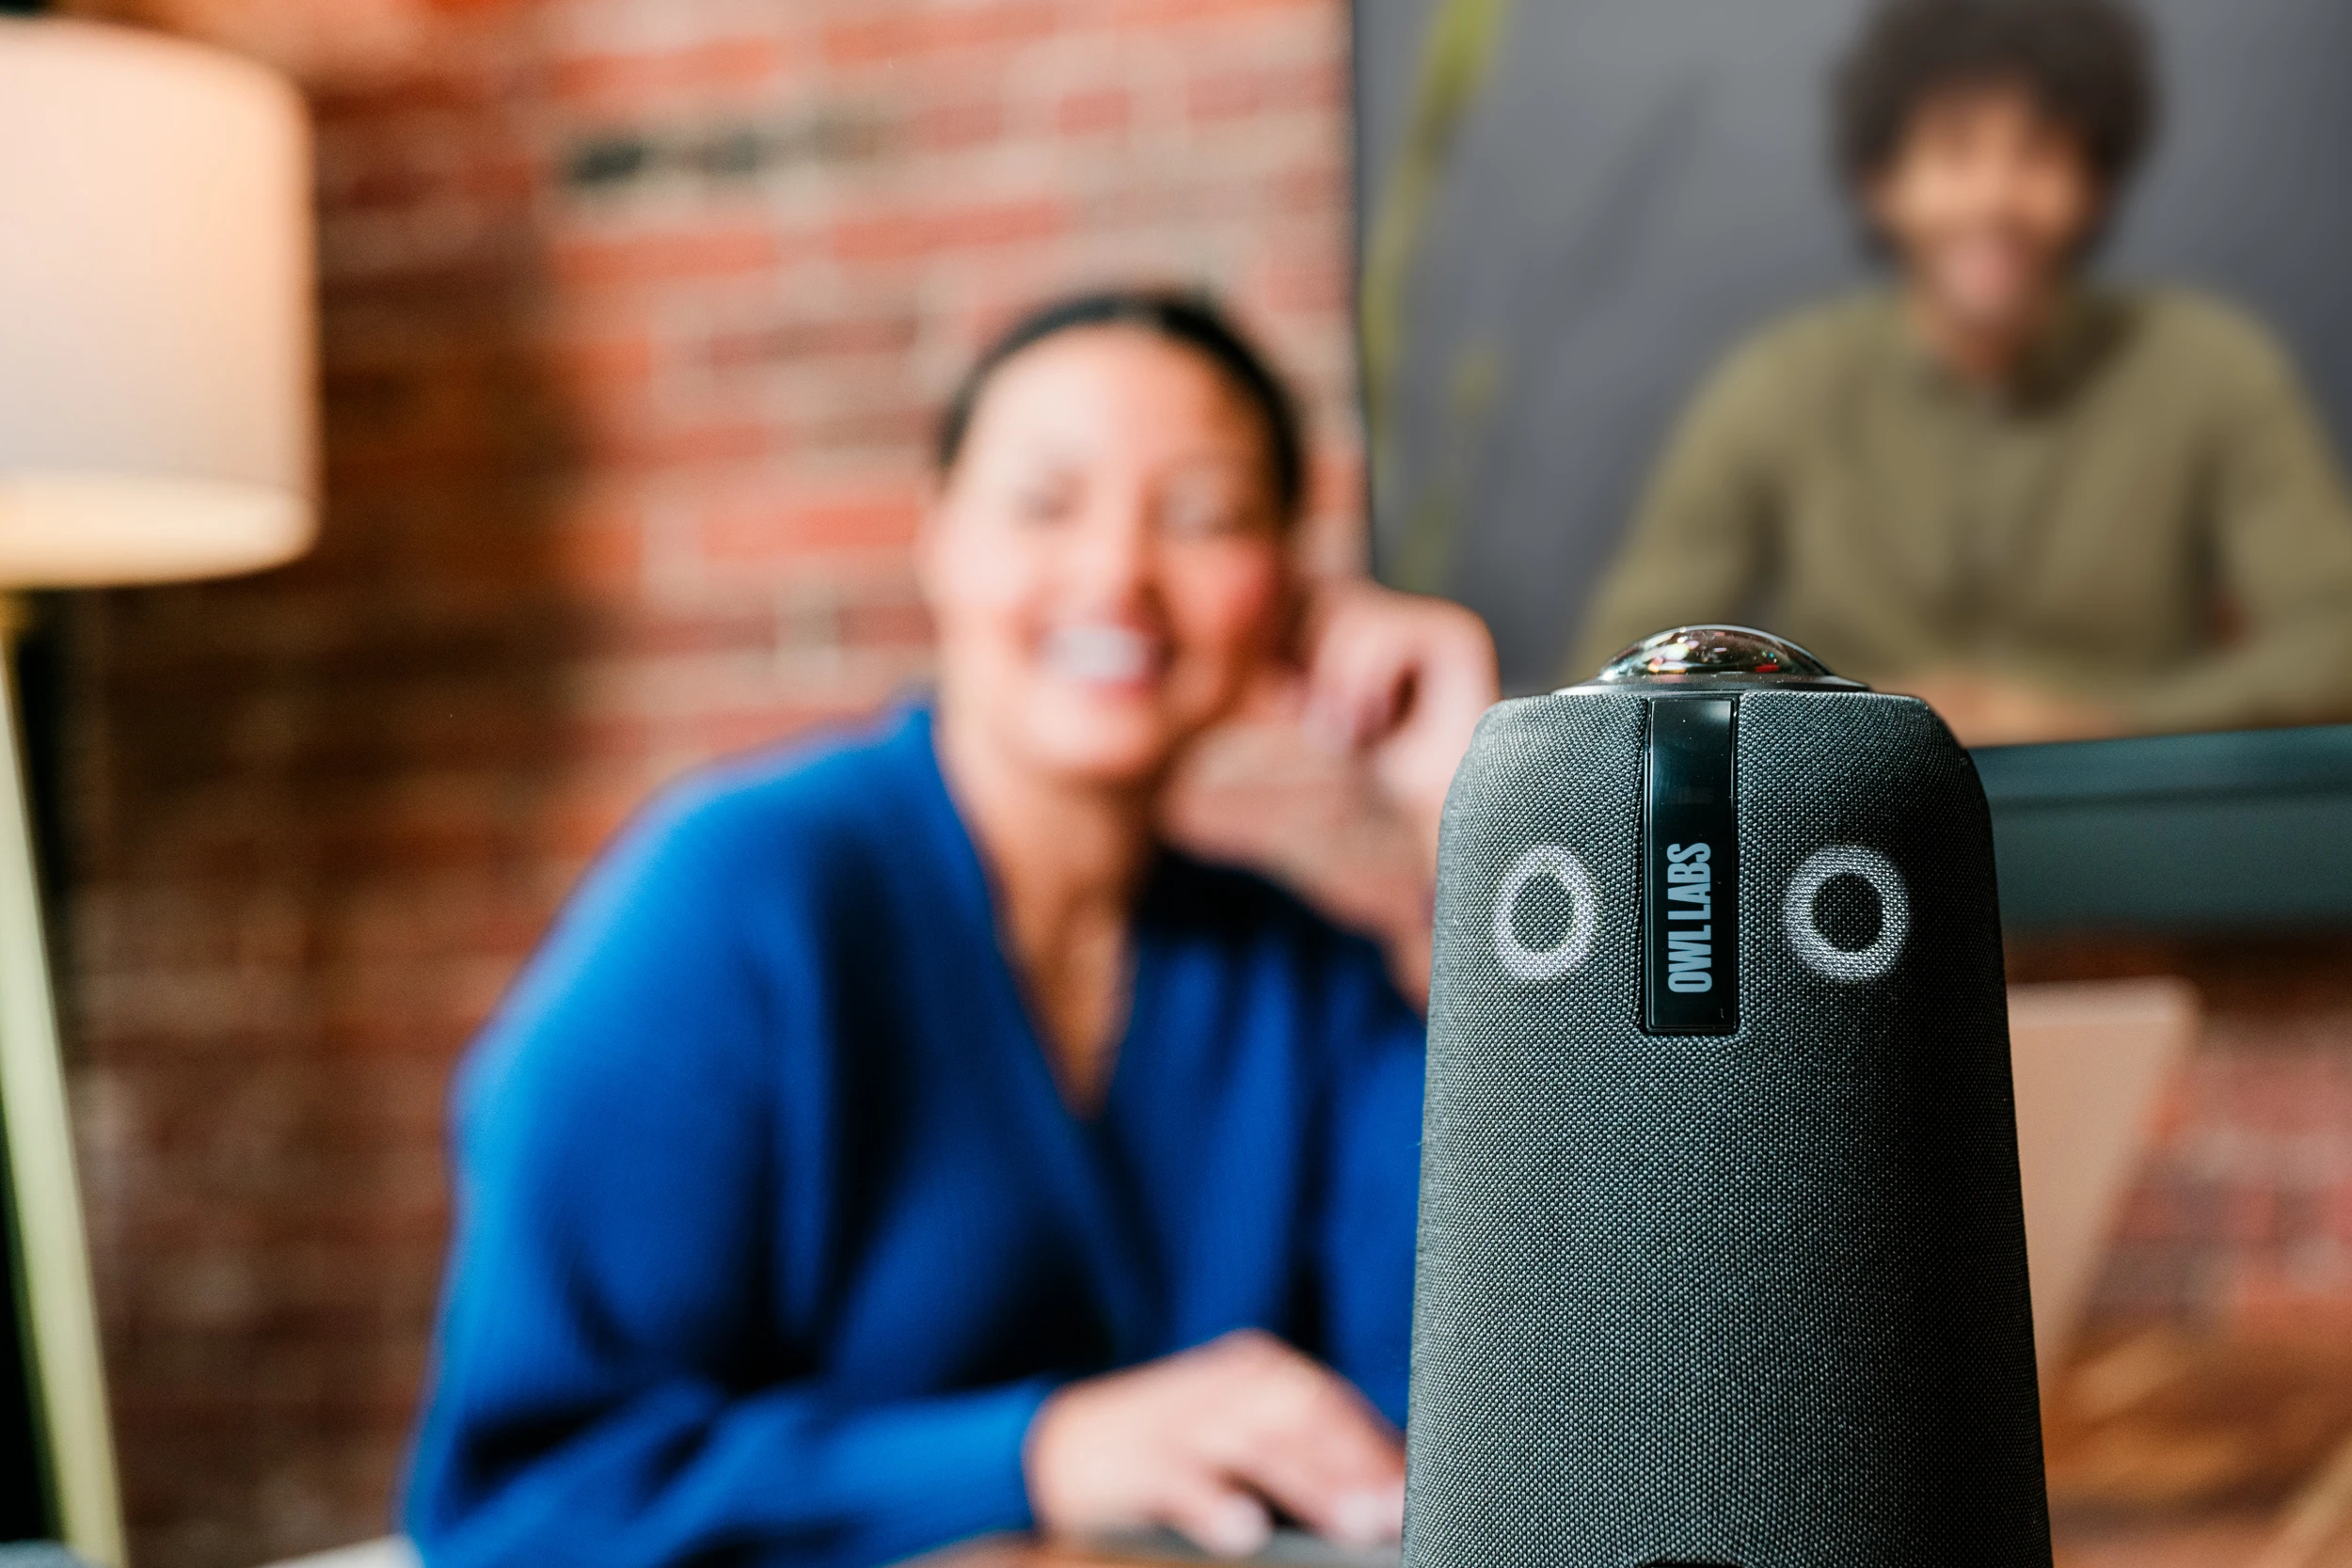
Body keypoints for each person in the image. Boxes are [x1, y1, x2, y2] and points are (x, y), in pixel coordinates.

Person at [404, 291, 1502, 1568]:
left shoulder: (1303, 982)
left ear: (1286, 592)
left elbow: (1505, 1423)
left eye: (1201, 516)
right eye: (1044, 502)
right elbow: (530, 1495)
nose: (1115, 574)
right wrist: (1039, 1451)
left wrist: (1472, 822)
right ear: (936, 536)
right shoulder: (736, 896)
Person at [1572, 0, 2352, 744]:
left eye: (2040, 151)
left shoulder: (2210, 369)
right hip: (1836, 835)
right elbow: (1618, 670)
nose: (1994, 198)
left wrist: (2099, 721)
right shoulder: (1778, 386)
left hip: (2129, 825)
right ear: (1884, 184)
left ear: (2094, 185)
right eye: (1954, 148)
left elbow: (2337, 639)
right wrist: (1860, 729)